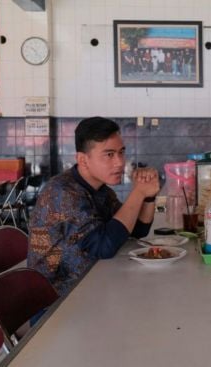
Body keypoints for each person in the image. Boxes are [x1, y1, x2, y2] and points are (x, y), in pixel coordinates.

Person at [28, 117, 160, 296]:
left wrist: (149, 196)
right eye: (109, 155)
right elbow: (103, 247)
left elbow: (137, 229)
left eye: (121, 152)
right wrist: (138, 193)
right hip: (57, 302)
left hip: (92, 286)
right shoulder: (62, 192)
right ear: (83, 160)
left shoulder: (101, 189)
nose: (120, 162)